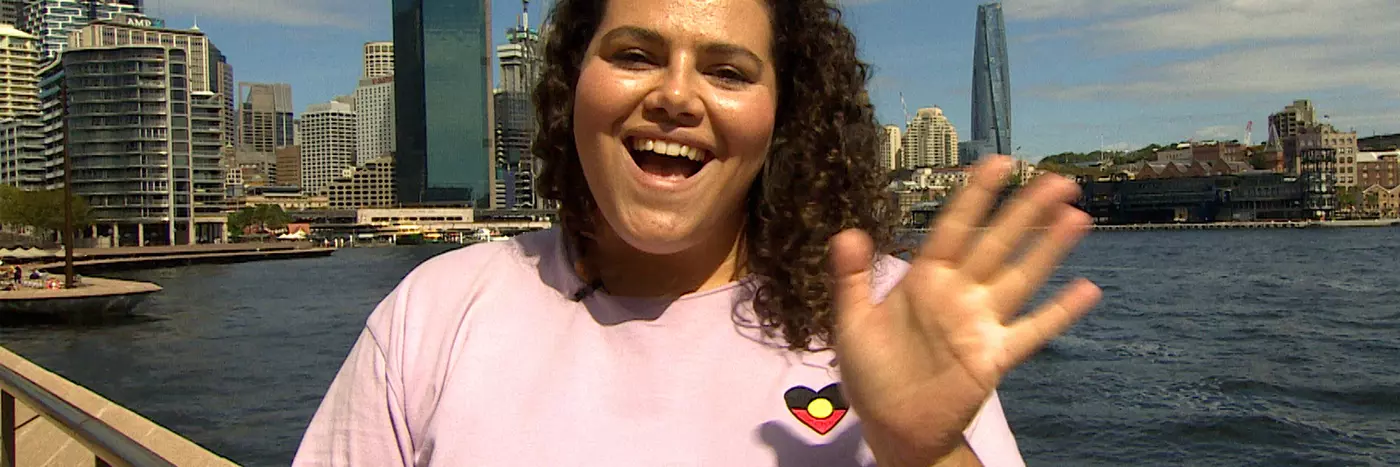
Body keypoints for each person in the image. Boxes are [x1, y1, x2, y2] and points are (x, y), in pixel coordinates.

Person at [292, 0, 1100, 465]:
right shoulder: (436, 310)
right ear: (574, 86)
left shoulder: (894, 313)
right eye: (636, 53)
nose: (677, 96)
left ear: (784, 115)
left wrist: (922, 453)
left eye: (726, 70)